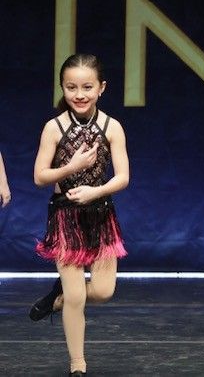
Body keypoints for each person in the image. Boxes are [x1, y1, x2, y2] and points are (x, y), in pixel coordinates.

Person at [29, 54, 129, 376]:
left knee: (102, 291)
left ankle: (57, 299)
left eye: (87, 86)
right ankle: (78, 365)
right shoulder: (54, 127)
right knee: (77, 296)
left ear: (102, 88)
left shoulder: (112, 127)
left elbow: (122, 177)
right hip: (66, 218)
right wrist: (71, 168)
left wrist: (94, 191)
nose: (79, 94)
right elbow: (39, 176)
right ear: (62, 87)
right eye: (71, 87)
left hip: (100, 215)